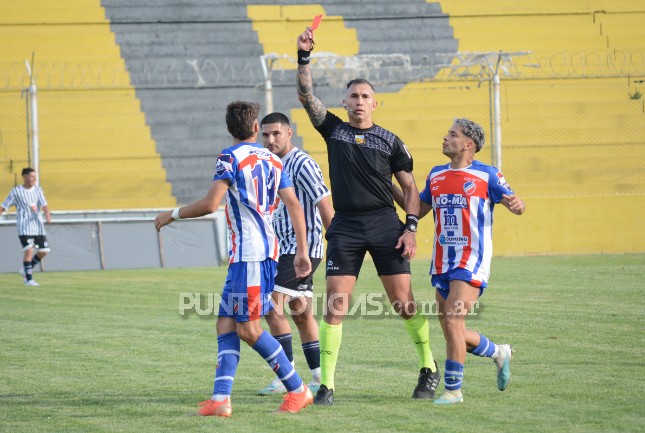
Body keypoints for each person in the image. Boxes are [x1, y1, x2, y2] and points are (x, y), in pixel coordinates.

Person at [296, 27, 441, 405]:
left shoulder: (391, 142)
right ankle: (326, 385)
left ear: (375, 104)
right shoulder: (334, 131)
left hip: (383, 223)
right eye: (354, 96)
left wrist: (410, 230)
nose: (360, 102)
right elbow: (306, 95)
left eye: (366, 97)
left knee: (403, 302)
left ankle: (428, 366)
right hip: (344, 226)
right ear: (344, 102)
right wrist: (304, 58)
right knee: (335, 304)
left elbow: (410, 189)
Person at [154, 101, 314, 416]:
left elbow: (211, 203)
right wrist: (303, 250)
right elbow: (294, 205)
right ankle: (220, 399)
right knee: (226, 324)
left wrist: (172, 214)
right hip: (260, 253)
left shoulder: (230, 157)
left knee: (249, 330)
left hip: (250, 256)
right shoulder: (273, 159)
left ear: (230, 129)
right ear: (256, 128)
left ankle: (298, 389)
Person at [393, 118, 525, 405]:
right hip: (443, 261)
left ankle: (453, 391)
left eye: (452, 134)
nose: (444, 138)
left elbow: (515, 202)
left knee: (453, 322)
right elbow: (416, 208)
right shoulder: (437, 175)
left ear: (468, 144)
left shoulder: (487, 175)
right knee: (453, 330)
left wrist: (516, 204)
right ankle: (497, 352)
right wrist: (383, 181)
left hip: (472, 260)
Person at [257, 112, 334, 396]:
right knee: (300, 313)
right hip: (283, 248)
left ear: (289, 133)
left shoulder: (301, 163)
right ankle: (317, 376)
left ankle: (285, 376)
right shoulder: (271, 163)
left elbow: (324, 204)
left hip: (302, 248)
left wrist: (335, 245)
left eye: (276, 133)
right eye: (265, 135)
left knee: (270, 306)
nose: (270, 140)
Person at [0, 167, 51, 286]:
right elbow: (4, 205)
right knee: (29, 250)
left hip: (37, 227)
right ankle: (29, 279)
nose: (34, 178)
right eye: (32, 176)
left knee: (44, 251)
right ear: (25, 177)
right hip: (24, 227)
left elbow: (44, 204)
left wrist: (47, 214)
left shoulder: (38, 190)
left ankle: (25, 269)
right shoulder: (16, 192)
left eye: (35, 176)